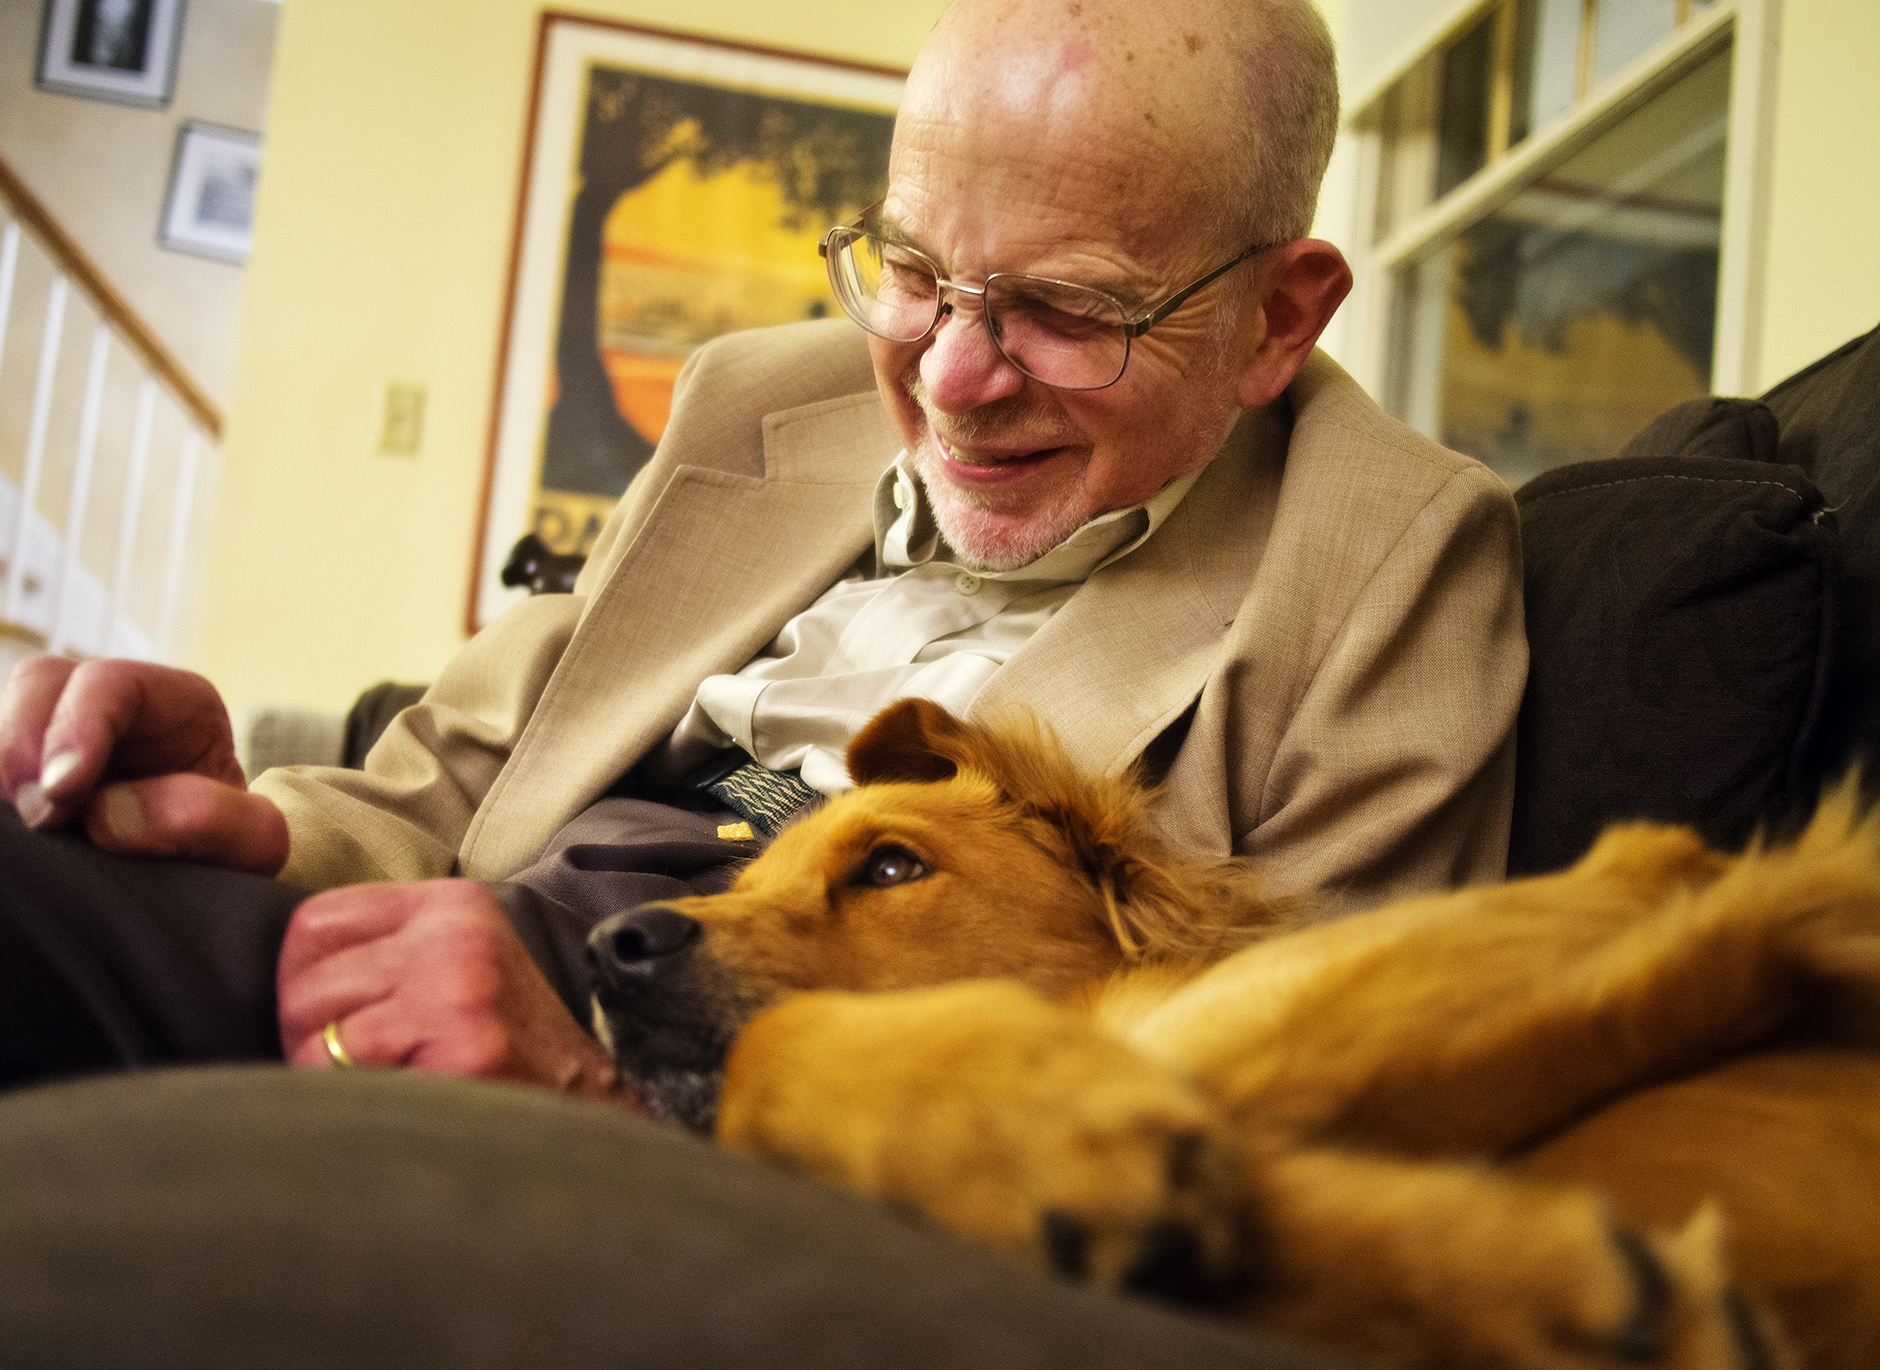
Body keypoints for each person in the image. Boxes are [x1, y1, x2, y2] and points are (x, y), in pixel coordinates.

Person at [0, 0, 1525, 1100]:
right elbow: (456, 775)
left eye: (1064, 310)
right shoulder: (760, 397)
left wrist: (607, 1099)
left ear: (1277, 316)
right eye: (915, 271)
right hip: (438, 933)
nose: (948, 380)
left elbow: (1303, 1098)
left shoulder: (1393, 552)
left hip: (733, 1062)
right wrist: (242, 824)